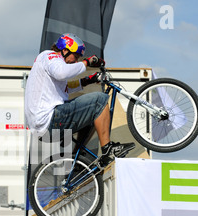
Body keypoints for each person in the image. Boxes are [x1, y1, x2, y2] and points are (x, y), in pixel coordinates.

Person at [24, 33, 135, 168]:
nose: (76, 61)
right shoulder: (49, 56)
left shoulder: (50, 63)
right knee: (99, 100)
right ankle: (108, 149)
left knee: (93, 116)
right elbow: (62, 73)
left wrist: (88, 80)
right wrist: (87, 62)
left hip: (43, 126)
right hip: (49, 120)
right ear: (64, 50)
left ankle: (77, 160)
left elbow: (65, 87)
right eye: (75, 57)